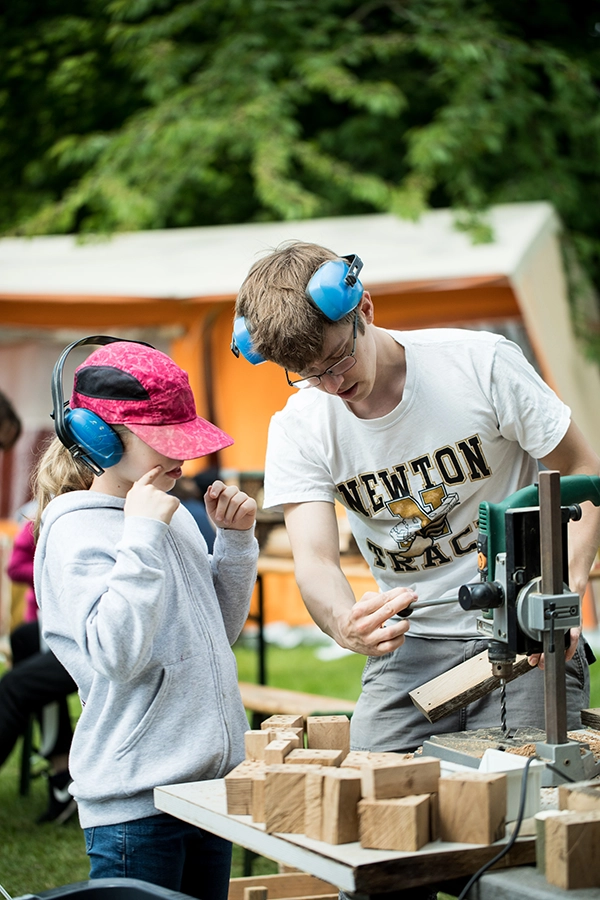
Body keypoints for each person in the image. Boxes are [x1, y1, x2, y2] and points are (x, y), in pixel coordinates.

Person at [232, 241, 600, 755]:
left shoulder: (480, 365)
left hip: (522, 625)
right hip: (410, 643)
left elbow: (583, 471)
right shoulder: (299, 427)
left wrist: (563, 587)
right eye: (310, 374)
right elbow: (315, 562)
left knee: (530, 782)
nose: (333, 384)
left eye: (338, 359)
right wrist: (344, 624)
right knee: (372, 787)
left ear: (365, 308)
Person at [33, 339, 258, 900]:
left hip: (207, 790)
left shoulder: (167, 512)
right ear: (98, 437)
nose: (184, 455)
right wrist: (141, 535)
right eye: (164, 437)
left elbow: (216, 634)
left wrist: (234, 544)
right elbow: (116, 654)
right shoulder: (76, 529)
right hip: (137, 807)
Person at [3, 516, 78, 824]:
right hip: (48, 623)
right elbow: (15, 567)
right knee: (23, 640)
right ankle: (62, 774)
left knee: (14, 687)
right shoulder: (40, 519)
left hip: (84, 635)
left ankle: (64, 778)